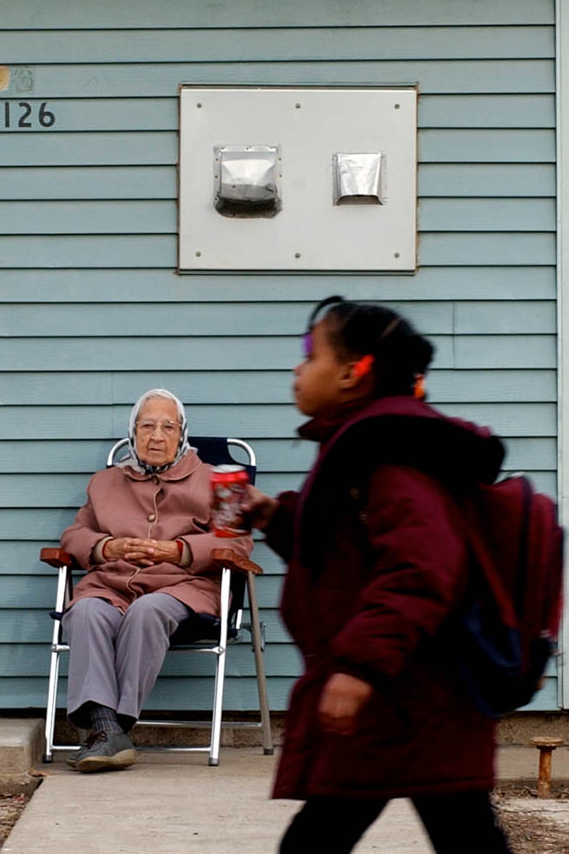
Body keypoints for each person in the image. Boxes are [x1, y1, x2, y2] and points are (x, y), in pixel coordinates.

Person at [241, 296, 515, 854]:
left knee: (331, 839)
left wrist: (360, 667)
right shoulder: (366, 443)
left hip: (409, 695)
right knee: (460, 833)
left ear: (352, 371)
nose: (298, 366)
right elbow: (346, 556)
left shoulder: (391, 454)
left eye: (309, 352)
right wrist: (278, 517)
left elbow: (422, 567)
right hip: (400, 699)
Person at [58, 388, 252, 773]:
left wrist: (178, 550)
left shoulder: (222, 480)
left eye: (168, 427)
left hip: (184, 589)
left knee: (148, 610)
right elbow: (73, 537)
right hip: (111, 587)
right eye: (147, 426)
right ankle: (108, 730)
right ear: (133, 433)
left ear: (183, 435)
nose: (157, 436)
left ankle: (110, 727)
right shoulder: (105, 482)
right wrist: (105, 547)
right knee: (84, 613)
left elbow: (240, 542)